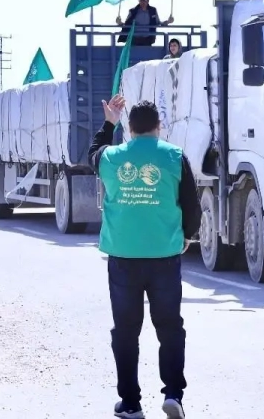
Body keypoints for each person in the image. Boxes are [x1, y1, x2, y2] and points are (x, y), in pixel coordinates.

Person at [88, 95, 201, 419]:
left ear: (130, 128)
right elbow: (191, 205)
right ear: (159, 126)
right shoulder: (174, 156)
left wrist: (109, 123)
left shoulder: (111, 157)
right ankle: (174, 395)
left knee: (125, 331)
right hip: (164, 256)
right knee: (169, 328)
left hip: (123, 257)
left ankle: (131, 404)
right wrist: (187, 237)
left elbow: (92, 153)